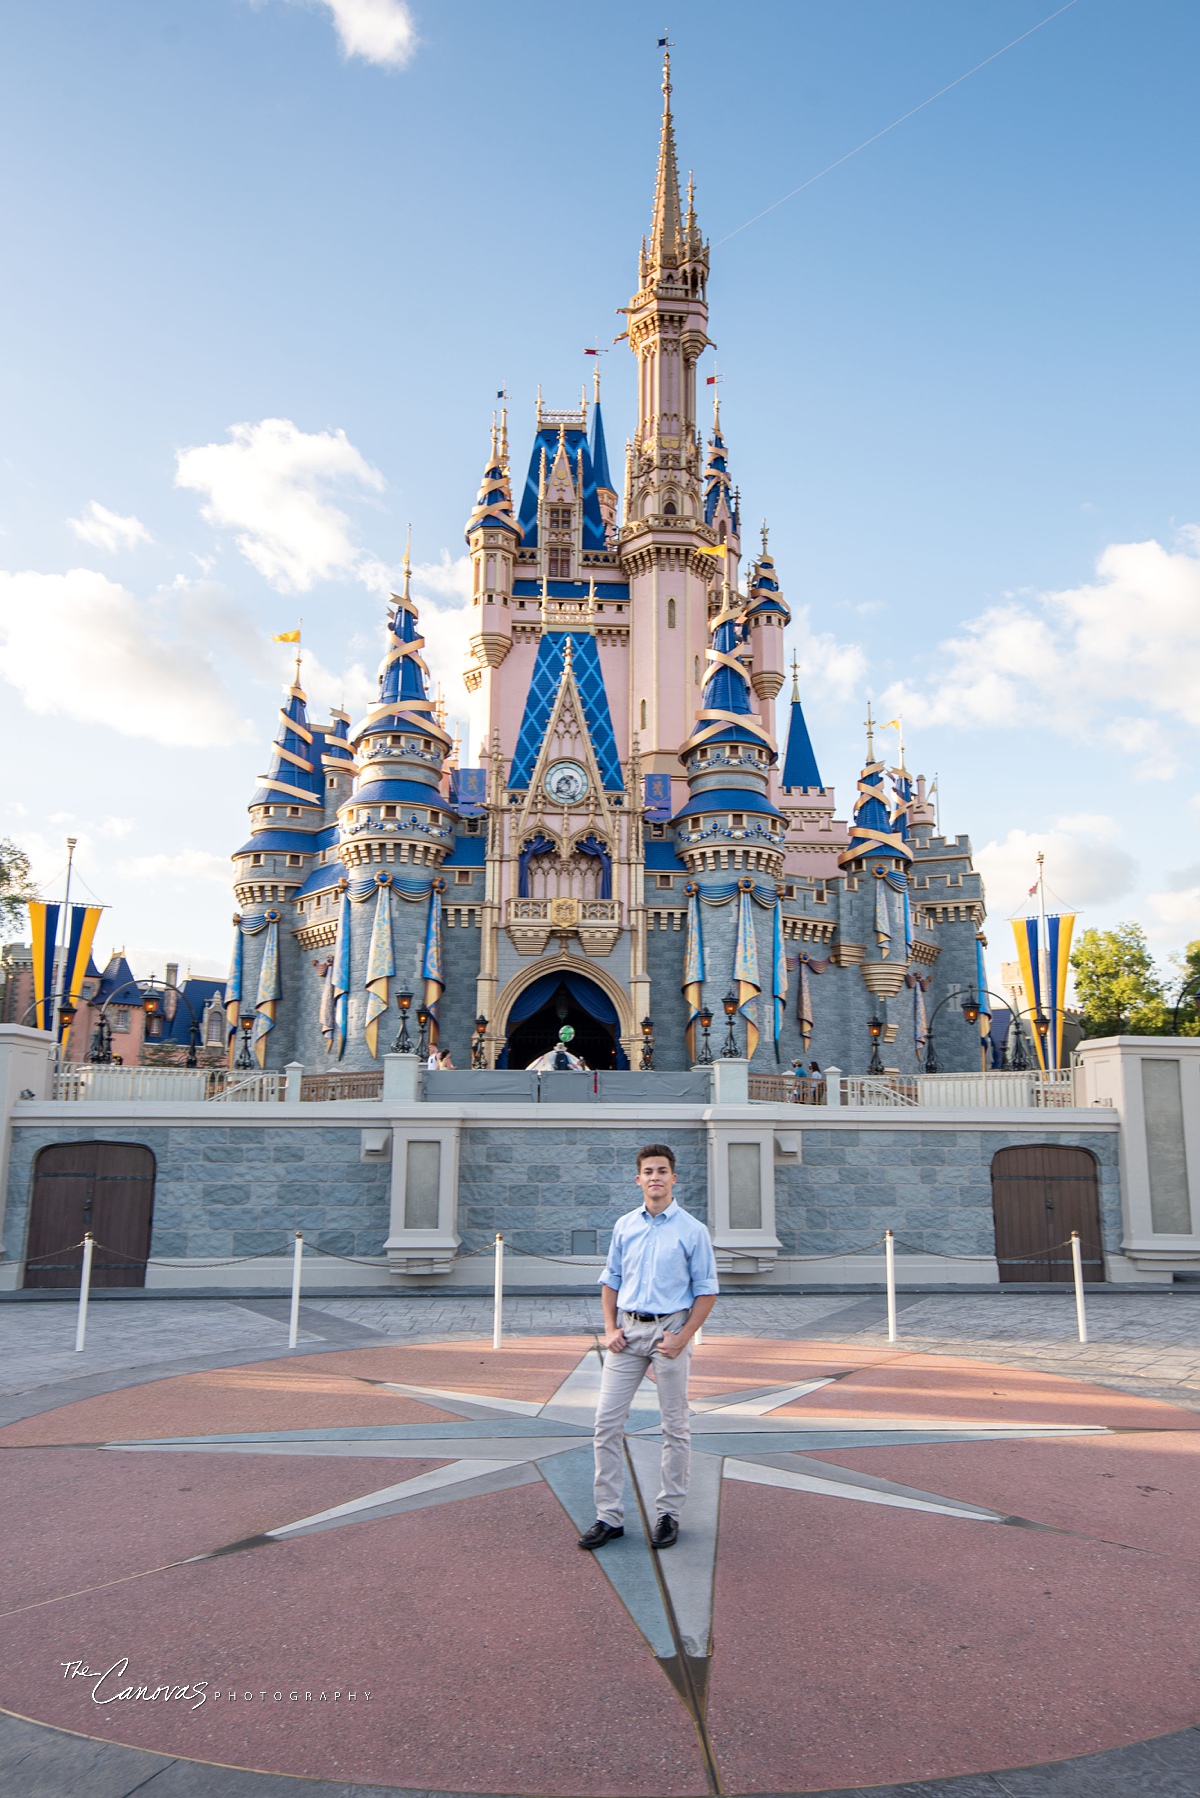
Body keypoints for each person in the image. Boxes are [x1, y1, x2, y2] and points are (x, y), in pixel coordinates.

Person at [578, 1142, 718, 1553]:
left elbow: (707, 1291)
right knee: (606, 1424)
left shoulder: (692, 1230)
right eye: (648, 1171)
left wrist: (682, 1337)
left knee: (674, 1426)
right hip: (626, 1334)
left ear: (674, 1178)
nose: (655, 1177)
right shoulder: (625, 1226)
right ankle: (609, 1516)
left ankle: (669, 1513)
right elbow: (611, 1280)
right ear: (637, 1179)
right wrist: (608, 1327)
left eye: (662, 1171)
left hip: (669, 1333)